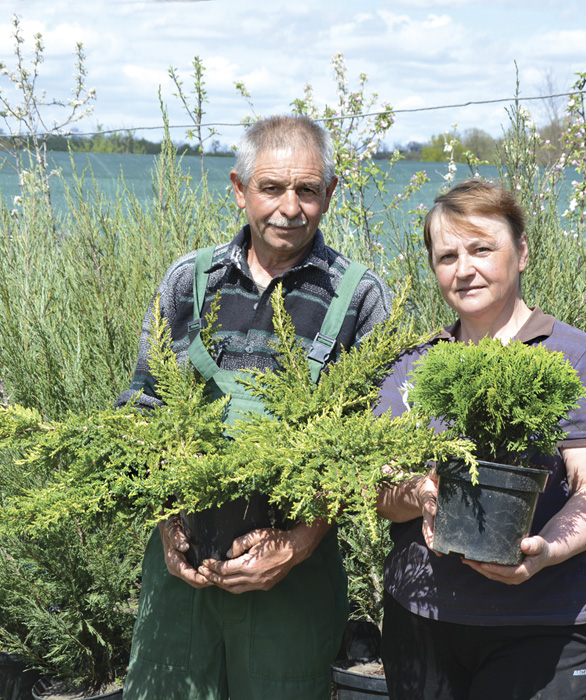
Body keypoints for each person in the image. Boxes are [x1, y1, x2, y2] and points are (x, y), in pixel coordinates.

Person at [116, 114, 391, 700]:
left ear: (329, 194)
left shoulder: (358, 296)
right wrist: (167, 525)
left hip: (290, 584)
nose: (289, 208)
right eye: (271, 188)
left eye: (307, 190)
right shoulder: (189, 282)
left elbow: (368, 448)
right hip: (181, 575)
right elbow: (143, 407)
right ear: (240, 189)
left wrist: (295, 546)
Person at [375, 179, 586, 700]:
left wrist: (545, 550)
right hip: (421, 624)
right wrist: (420, 493)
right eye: (446, 255)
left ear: (522, 252)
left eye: (482, 248)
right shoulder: (412, 366)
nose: (463, 268)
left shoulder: (576, 359)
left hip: (545, 631)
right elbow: (377, 489)